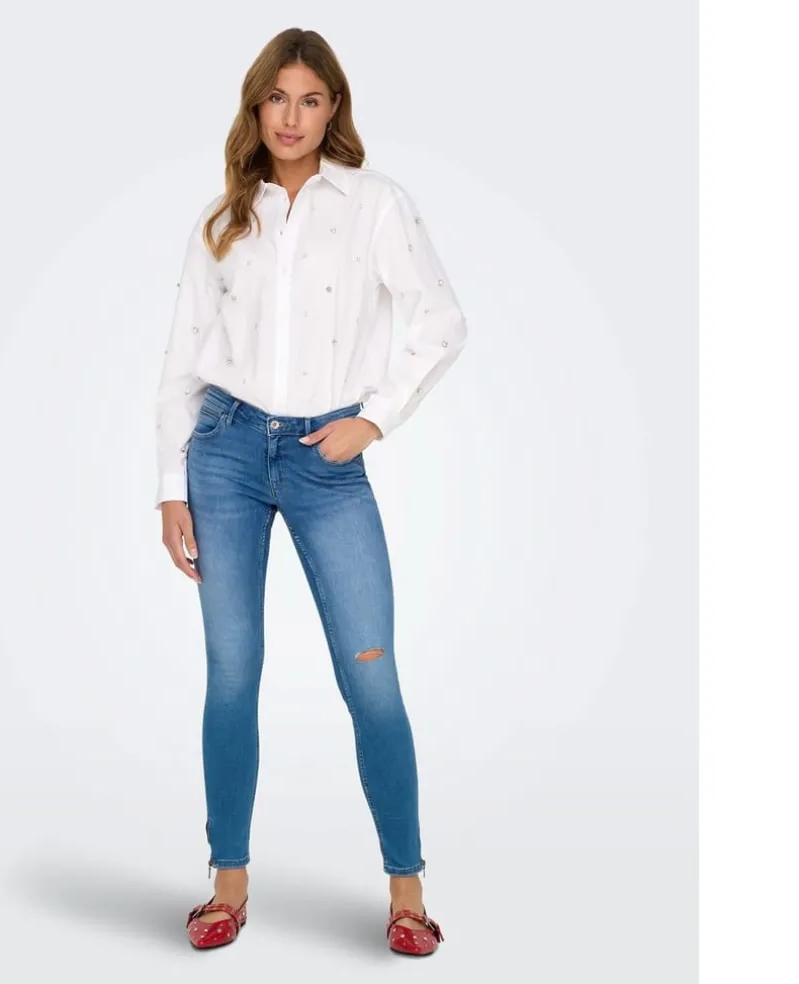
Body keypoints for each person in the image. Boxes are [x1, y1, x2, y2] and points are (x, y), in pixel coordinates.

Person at [155, 27, 466, 956]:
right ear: (256, 106)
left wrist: (373, 419)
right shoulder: (224, 219)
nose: (291, 117)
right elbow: (183, 357)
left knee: (371, 675)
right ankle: (228, 882)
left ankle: (407, 891)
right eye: (277, 98)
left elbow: (441, 321)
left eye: (312, 99)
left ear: (334, 110)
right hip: (223, 451)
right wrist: (170, 485)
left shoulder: (375, 204)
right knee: (232, 672)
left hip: (327, 458)